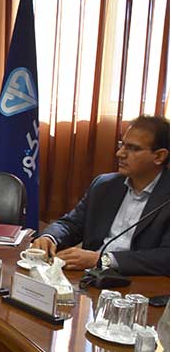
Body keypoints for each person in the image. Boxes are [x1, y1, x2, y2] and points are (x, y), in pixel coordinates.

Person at [31, 116, 169, 276]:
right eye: (122, 145)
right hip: (90, 277)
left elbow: (166, 257)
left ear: (159, 156)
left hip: (139, 281)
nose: (120, 153)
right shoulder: (105, 185)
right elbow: (71, 224)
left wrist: (103, 260)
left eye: (133, 148)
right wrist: (50, 237)